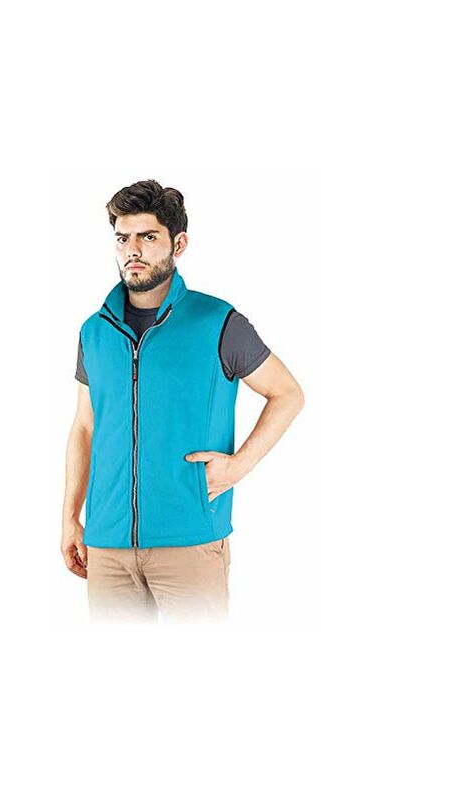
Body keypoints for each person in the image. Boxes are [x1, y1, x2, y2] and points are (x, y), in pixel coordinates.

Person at [61, 179, 305, 623]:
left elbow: (287, 393)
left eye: (148, 237)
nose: (133, 250)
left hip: (190, 540)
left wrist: (239, 465)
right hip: (107, 544)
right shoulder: (94, 331)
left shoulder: (218, 321)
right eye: (123, 238)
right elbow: (84, 426)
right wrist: (70, 518)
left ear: (179, 243)